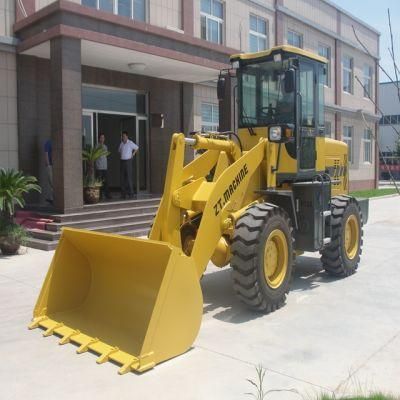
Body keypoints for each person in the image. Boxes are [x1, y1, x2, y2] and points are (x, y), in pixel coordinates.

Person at [118, 131, 139, 199]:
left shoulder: (130, 143)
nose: (123, 137)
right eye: (122, 136)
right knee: (122, 178)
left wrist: (133, 154)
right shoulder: (121, 144)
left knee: (129, 178)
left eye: (124, 136)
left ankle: (131, 194)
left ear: (127, 136)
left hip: (128, 162)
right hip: (122, 161)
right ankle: (123, 194)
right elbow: (119, 151)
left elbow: (137, 148)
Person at [95, 133, 111, 200]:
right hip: (99, 167)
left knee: (106, 182)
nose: (102, 139)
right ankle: (100, 196)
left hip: (105, 167)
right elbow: (96, 156)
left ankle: (107, 195)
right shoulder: (96, 146)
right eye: (101, 137)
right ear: (99, 139)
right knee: (99, 182)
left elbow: (106, 155)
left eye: (103, 138)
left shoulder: (105, 146)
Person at [44, 138, 53, 204]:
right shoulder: (49, 142)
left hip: (54, 165)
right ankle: (51, 198)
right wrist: (48, 164)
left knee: (52, 182)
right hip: (50, 165)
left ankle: (51, 198)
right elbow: (46, 153)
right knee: (51, 181)